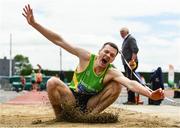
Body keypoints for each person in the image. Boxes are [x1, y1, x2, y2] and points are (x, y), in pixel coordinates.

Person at [22, 4, 164, 120]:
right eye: (106, 52)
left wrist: (150, 94)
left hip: (91, 103)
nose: (108, 55)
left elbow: (130, 83)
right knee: (52, 81)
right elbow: (60, 41)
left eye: (112, 55)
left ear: (113, 59)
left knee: (117, 85)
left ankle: (90, 117)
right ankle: (59, 116)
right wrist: (35, 24)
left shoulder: (111, 71)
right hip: (72, 98)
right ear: (100, 52)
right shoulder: (86, 57)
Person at [120, 27, 139, 105]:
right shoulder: (125, 40)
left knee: (130, 81)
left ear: (127, 32)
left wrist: (132, 61)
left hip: (130, 64)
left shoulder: (130, 38)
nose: (121, 33)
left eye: (122, 32)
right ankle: (131, 99)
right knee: (129, 81)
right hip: (126, 64)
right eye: (120, 32)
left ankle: (132, 100)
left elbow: (135, 50)